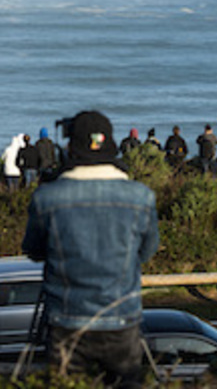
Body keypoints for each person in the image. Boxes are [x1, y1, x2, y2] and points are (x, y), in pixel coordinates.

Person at [22, 111, 159, 387]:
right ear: (110, 145)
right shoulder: (140, 197)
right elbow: (146, 252)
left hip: (66, 320)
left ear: (71, 148)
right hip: (122, 318)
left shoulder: (47, 198)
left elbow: (33, 251)